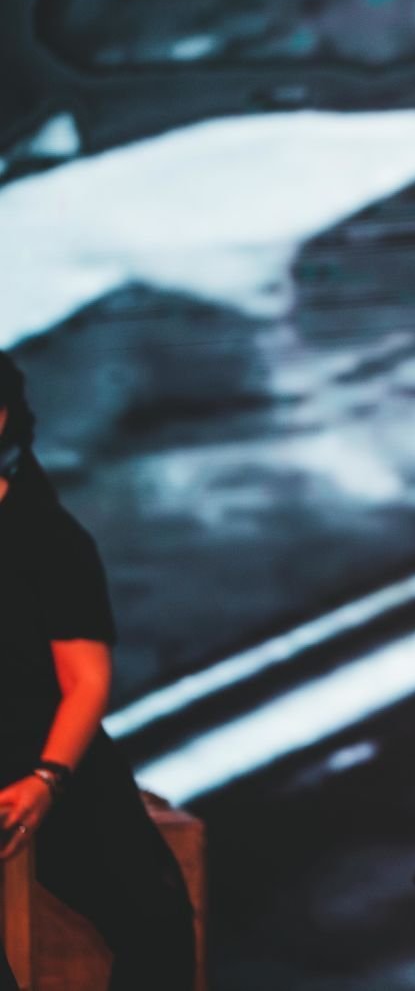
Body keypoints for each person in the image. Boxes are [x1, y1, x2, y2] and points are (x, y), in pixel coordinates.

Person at [0, 351, 196, 991]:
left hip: (45, 756)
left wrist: (46, 777)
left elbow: (84, 680)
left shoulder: (45, 535)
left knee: (157, 920)